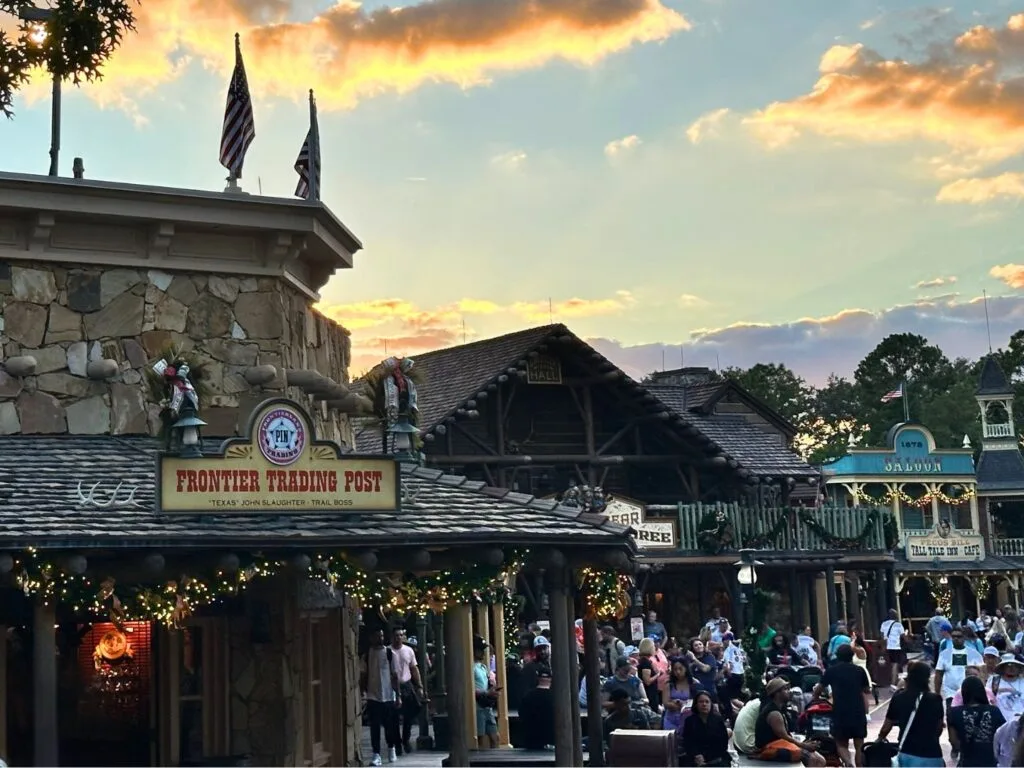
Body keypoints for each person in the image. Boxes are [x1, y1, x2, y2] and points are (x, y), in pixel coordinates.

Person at [875, 660, 945, 768]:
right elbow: (939, 727)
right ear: (927, 679)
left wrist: (880, 738)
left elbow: (886, 726)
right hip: (932, 752)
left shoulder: (899, 697)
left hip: (907, 751)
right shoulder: (935, 699)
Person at [814, 643, 871, 767]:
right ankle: (859, 766)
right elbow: (867, 690)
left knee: (841, 743)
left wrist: (816, 699)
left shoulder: (831, 671)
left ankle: (848, 763)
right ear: (852, 656)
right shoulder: (859, 671)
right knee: (859, 746)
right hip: (858, 711)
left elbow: (818, 689)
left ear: (837, 656)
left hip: (840, 711)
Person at [753, 677, 826, 765]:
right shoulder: (774, 713)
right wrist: (804, 745)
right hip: (768, 748)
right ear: (777, 693)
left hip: (780, 744)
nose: (789, 691)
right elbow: (784, 736)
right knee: (812, 759)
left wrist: (804, 743)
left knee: (821, 760)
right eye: (785, 689)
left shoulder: (780, 708)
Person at [361, 628, 401, 766]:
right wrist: (363, 692)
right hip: (373, 696)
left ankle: (391, 748)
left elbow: (395, 676)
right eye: (378, 636)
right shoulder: (367, 655)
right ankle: (376, 753)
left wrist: (398, 696)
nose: (380, 638)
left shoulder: (390, 653)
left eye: (382, 636)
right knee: (375, 727)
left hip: (388, 695)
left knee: (389, 726)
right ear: (371, 638)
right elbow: (364, 675)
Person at [948, 674, 1005, 767]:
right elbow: (1003, 737)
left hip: (966, 763)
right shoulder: (994, 711)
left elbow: (954, 741)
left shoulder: (954, 712)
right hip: (989, 763)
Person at [936, 625, 983, 727]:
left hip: (971, 694)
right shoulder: (944, 654)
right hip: (950, 693)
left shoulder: (974, 654)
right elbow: (938, 674)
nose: (956, 639)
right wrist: (937, 693)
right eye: (954, 637)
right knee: (951, 719)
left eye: (959, 636)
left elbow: (982, 673)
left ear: (964, 637)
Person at [389, 627, 424, 756]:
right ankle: (397, 743)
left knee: (410, 714)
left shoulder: (408, 650)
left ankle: (406, 739)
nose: (398, 638)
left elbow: (414, 668)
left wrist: (419, 686)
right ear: (392, 637)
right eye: (396, 635)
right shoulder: (388, 651)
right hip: (391, 686)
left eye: (401, 635)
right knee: (394, 717)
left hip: (406, 683)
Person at [680, 689, 731, 767]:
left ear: (711, 704)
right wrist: (696, 755)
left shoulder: (718, 720)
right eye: (701, 702)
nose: (704, 704)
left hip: (715, 757)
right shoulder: (689, 721)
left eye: (707, 702)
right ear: (696, 704)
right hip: (695, 758)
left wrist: (708, 757)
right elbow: (688, 742)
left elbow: (723, 744)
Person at [520, 667, 556, 749]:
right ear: (551, 679)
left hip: (531, 742)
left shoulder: (527, 696)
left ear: (537, 678)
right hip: (553, 741)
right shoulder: (557, 698)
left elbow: (522, 715)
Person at [473, 641, 499, 749]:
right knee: (480, 738)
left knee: (495, 737)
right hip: (478, 706)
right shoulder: (472, 668)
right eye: (480, 650)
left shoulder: (483, 667)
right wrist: (486, 693)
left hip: (486, 706)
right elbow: (471, 688)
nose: (483, 653)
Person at [663, 657, 697, 731]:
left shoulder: (694, 684)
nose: (678, 672)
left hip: (688, 720)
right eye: (675, 669)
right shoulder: (669, 685)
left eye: (680, 669)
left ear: (686, 668)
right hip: (670, 720)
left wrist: (683, 705)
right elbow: (666, 703)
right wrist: (677, 704)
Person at [880, 609, 907, 691]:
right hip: (895, 647)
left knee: (888, 664)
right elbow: (903, 636)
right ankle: (893, 682)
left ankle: (887, 680)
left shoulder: (884, 624)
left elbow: (882, 635)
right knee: (894, 664)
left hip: (886, 647)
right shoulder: (898, 625)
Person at [992, 653, 1024, 722]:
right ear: (1003, 667)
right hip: (1000, 721)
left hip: (1021, 722)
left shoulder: (1022, 682)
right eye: (1008, 665)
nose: (1012, 668)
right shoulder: (994, 681)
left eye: (1015, 665)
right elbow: (989, 698)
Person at [637, 638, 662, 712]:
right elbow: (647, 681)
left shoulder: (646, 660)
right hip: (650, 693)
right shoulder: (645, 663)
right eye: (653, 646)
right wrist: (658, 674)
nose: (654, 648)